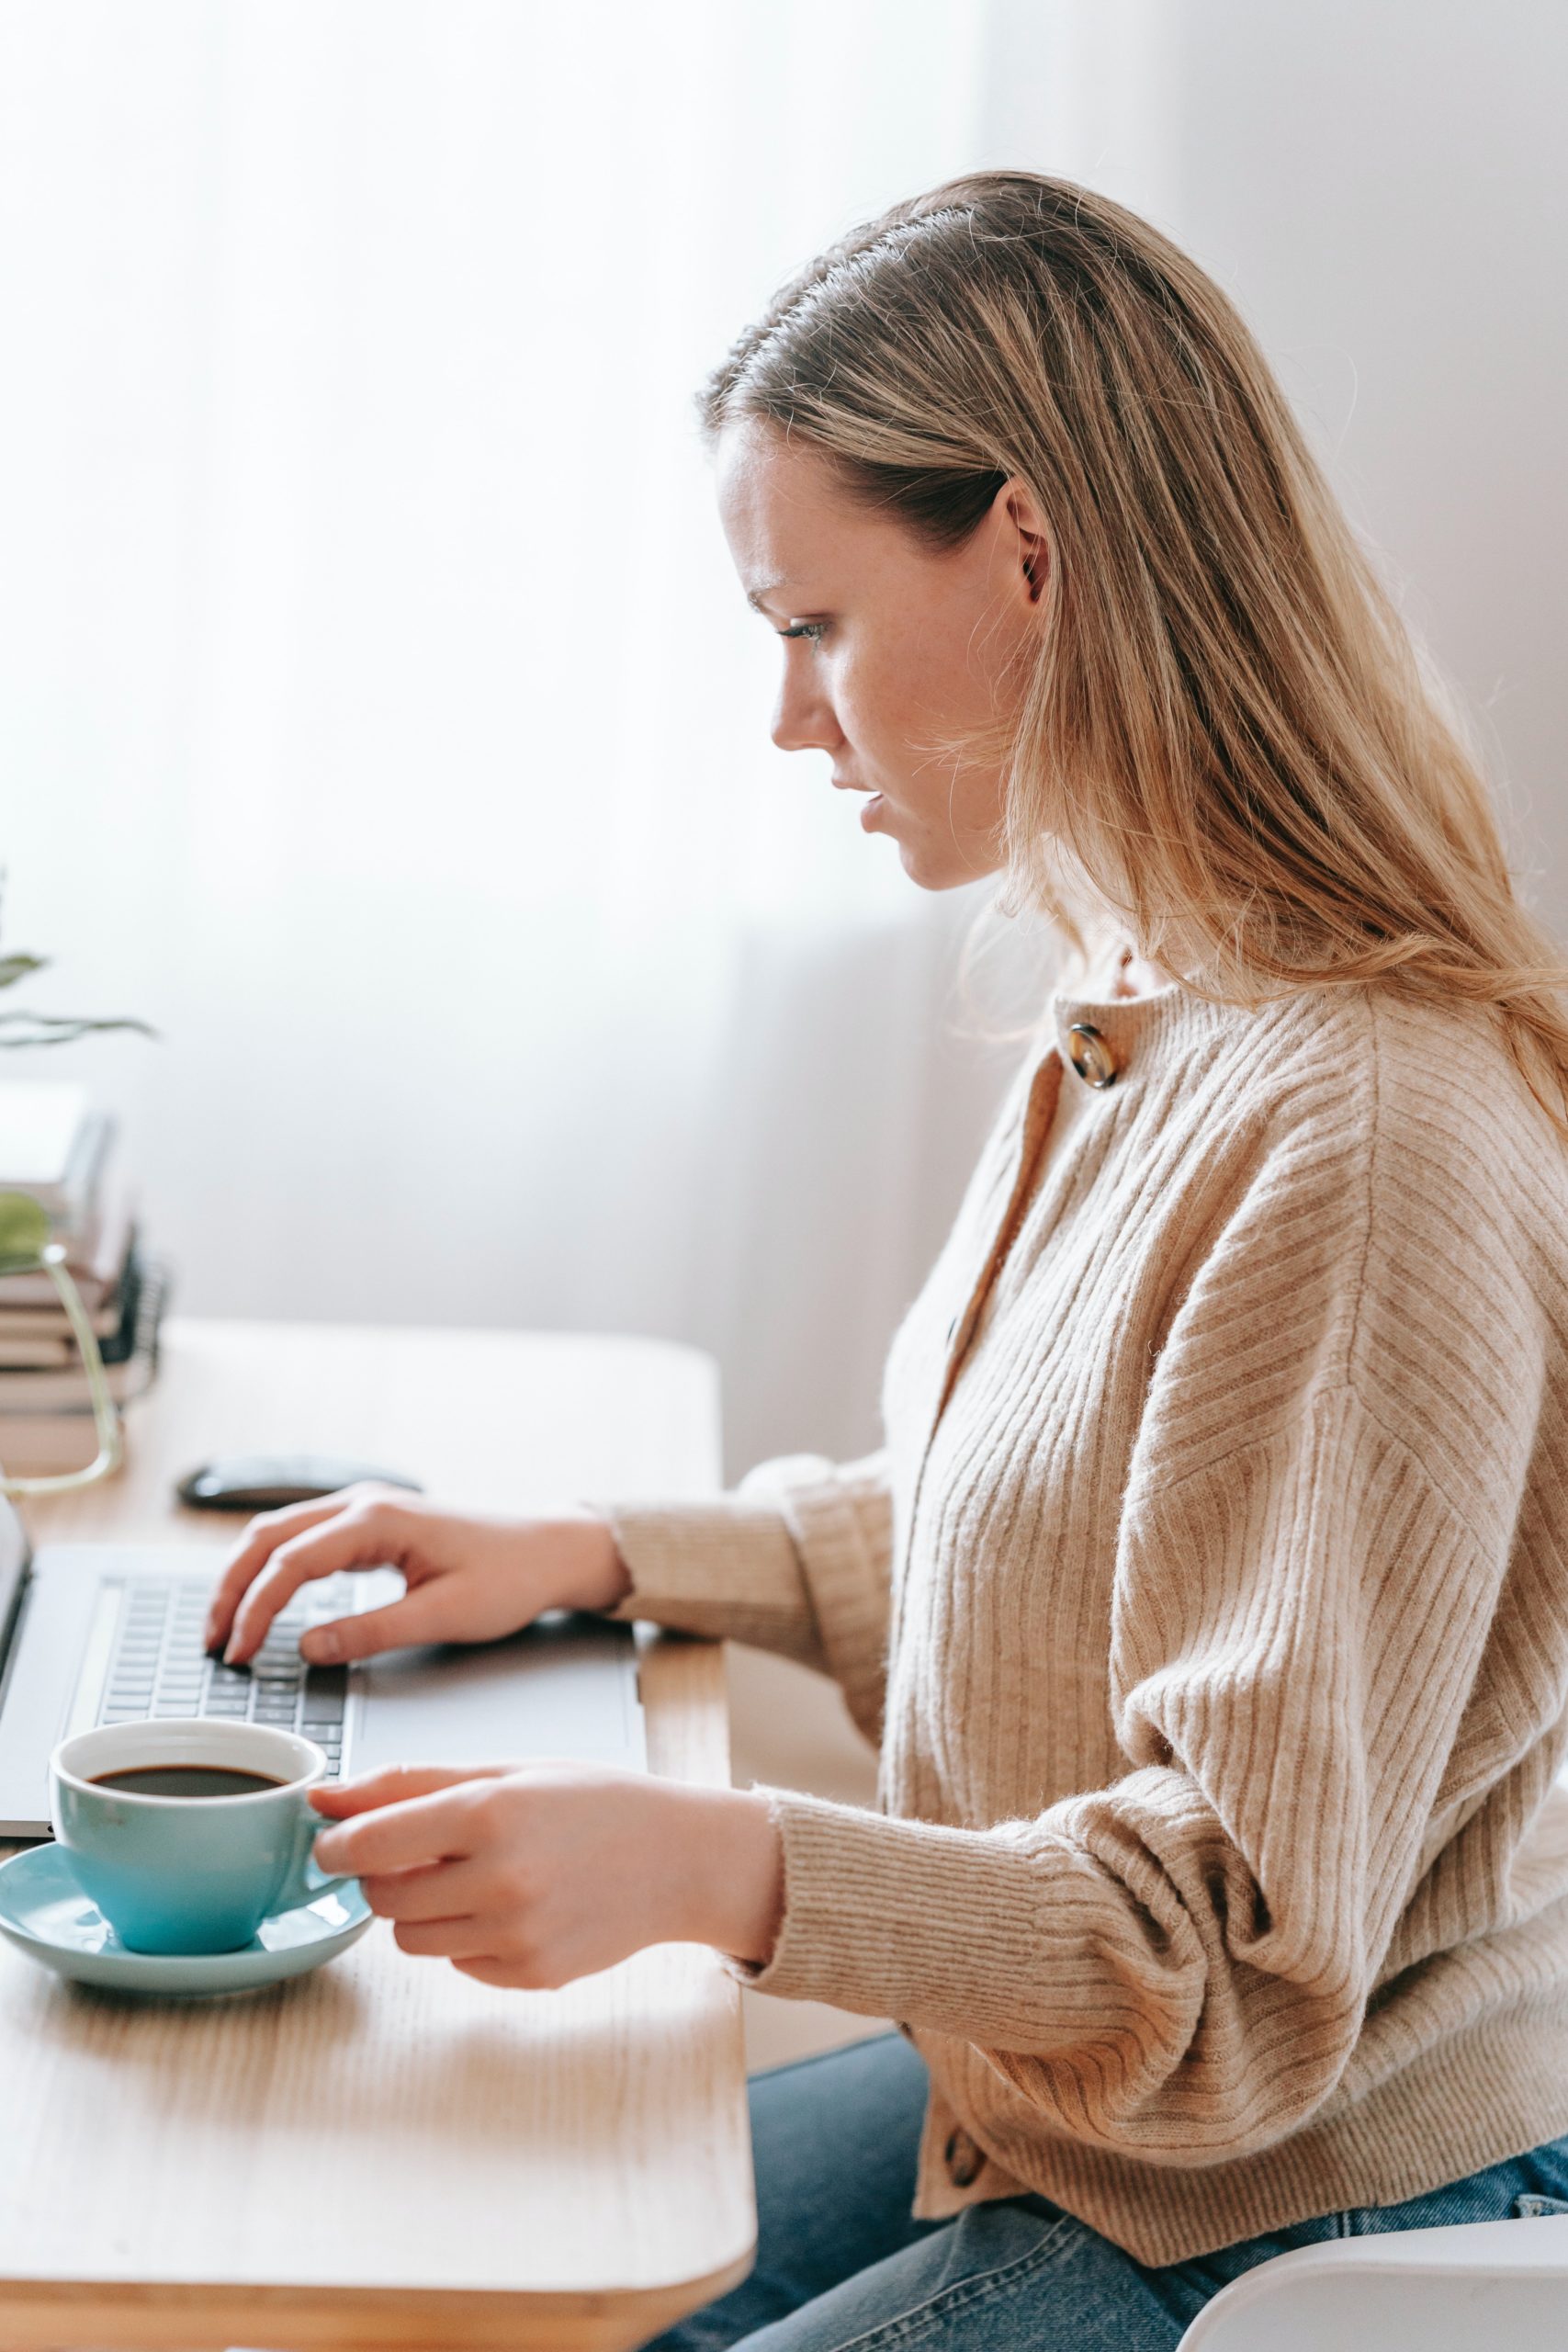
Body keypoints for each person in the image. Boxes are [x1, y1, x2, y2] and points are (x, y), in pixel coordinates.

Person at [205, 172, 1568, 2349]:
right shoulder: (1150, 988)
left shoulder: (1365, 1128)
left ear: (1026, 551)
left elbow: (1222, 1958)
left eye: (807, 624)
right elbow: (1024, 1527)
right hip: (1063, 2118)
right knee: (451, 2274)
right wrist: (588, 1548)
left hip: (1283, 2209)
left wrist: (715, 1864)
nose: (786, 719)